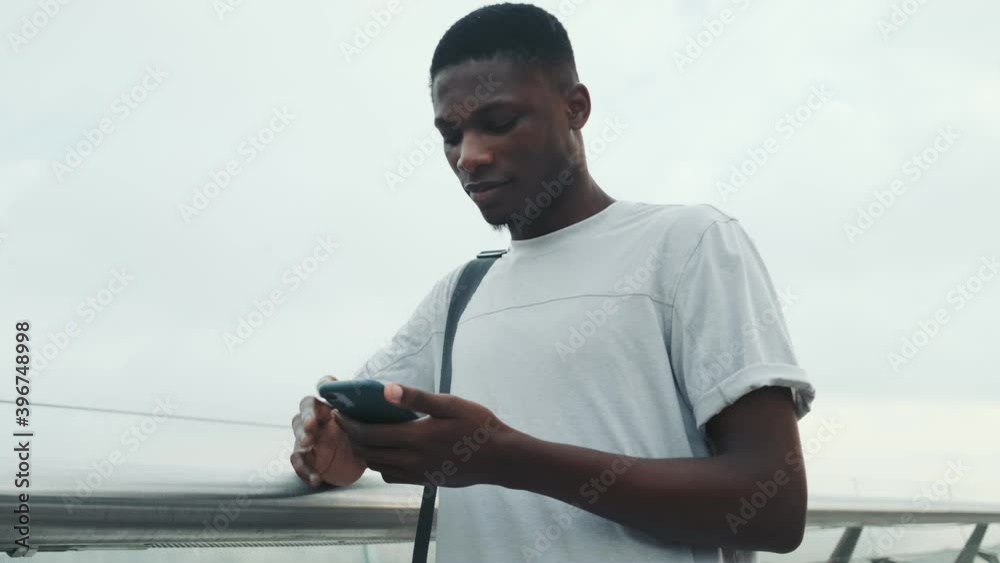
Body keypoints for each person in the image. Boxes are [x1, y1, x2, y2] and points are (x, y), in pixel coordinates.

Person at [290, 3, 816, 561]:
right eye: (451, 133)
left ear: (576, 108)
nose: (469, 156)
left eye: (498, 123)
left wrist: (506, 457)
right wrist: (331, 451)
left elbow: (774, 505)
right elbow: (347, 445)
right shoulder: (461, 294)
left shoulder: (688, 244)